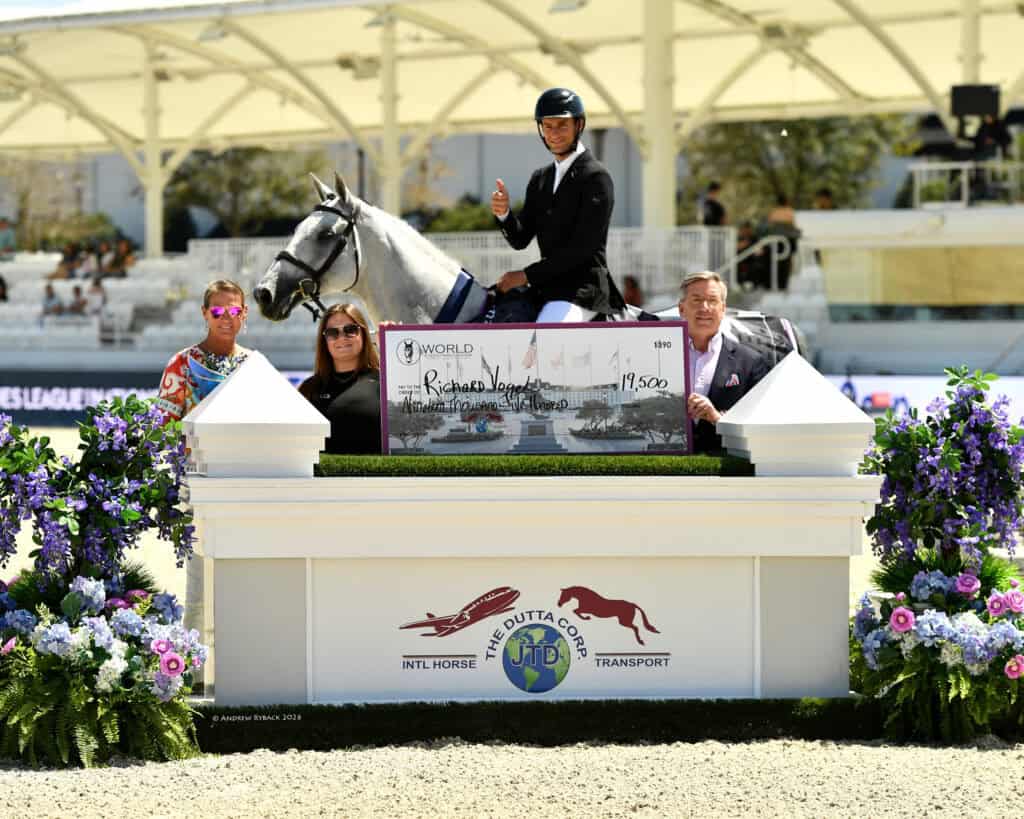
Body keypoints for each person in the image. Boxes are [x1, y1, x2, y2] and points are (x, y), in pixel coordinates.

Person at [490, 87, 624, 323]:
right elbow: (520, 239)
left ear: (578, 125)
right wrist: (505, 215)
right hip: (547, 289)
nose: (554, 133)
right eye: (548, 126)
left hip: (583, 292)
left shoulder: (596, 177)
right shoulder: (540, 178)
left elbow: (582, 249)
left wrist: (526, 275)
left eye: (562, 125)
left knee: (549, 333)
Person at [678, 271, 769, 454]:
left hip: (726, 470)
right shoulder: (660, 355)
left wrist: (716, 418)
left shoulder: (751, 362)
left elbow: (760, 425)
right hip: (665, 470)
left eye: (712, 300)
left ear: (723, 309)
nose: (705, 307)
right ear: (681, 309)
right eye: (696, 300)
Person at [154, 279, 251, 423]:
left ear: (244, 313)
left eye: (234, 311)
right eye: (217, 311)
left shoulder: (252, 364)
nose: (226, 317)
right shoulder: (181, 363)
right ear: (204, 312)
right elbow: (163, 427)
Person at [298, 303, 381, 455]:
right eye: (332, 333)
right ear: (325, 340)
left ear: (363, 334)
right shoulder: (308, 388)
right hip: (322, 479)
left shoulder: (385, 384)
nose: (342, 338)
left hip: (374, 478)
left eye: (350, 330)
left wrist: (394, 342)